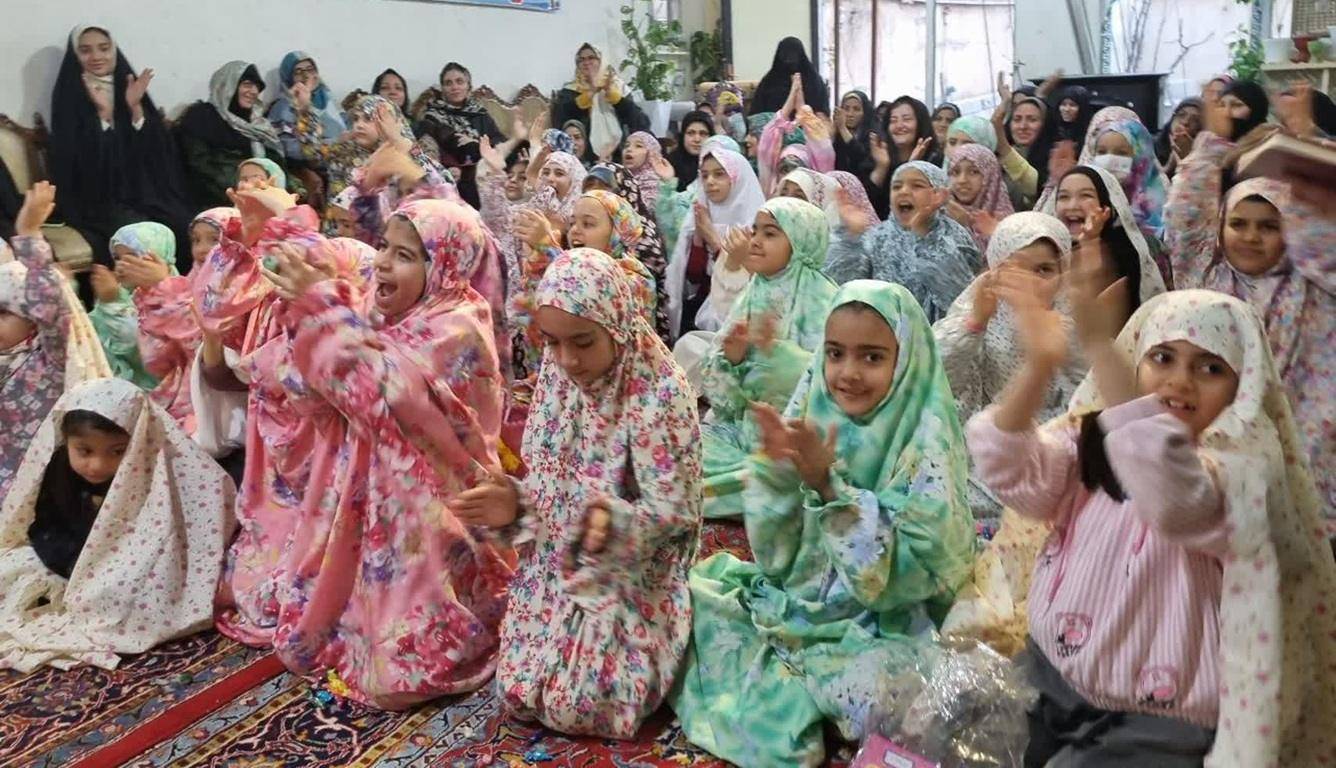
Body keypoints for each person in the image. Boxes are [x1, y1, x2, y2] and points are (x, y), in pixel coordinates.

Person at [967, 288, 1336, 766]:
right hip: (1050, 673)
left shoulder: (1243, 474)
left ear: (1242, 388)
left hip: (1159, 720)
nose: (1179, 382)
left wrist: (1101, 349)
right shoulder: (1095, 439)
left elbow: (1172, 497)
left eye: (1210, 368)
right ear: (1137, 362)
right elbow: (1011, 467)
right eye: (1162, 358)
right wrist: (1039, 366)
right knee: (963, 741)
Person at [672, 280, 976, 767]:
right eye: (835, 353)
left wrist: (831, 491)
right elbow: (775, 561)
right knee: (688, 599)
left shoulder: (927, 436)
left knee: (895, 696)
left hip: (886, 619)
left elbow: (919, 574)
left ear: (907, 359)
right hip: (806, 600)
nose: (848, 374)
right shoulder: (813, 405)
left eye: (872, 358)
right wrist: (774, 475)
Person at [236, 198, 514, 708]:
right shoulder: (379, 313)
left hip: (430, 499)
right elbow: (315, 385)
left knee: (402, 673)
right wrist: (304, 294)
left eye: (406, 255)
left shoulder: (457, 324)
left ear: (445, 265)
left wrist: (324, 311)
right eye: (384, 246)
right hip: (366, 486)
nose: (383, 261)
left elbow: (386, 396)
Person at [454, 248, 699, 737]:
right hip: (556, 563)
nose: (568, 360)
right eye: (554, 343)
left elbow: (675, 515)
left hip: (631, 570)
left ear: (617, 324)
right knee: (518, 691)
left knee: (579, 704)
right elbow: (548, 489)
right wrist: (514, 507)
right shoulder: (558, 377)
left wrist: (615, 525)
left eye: (583, 342)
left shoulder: (659, 393)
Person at [1166, 100, 1335, 523]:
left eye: (1269, 226)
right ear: (1220, 227)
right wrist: (1208, 147)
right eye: (1239, 224)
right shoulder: (1206, 280)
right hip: (1219, 456)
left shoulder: (1314, 280)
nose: (1251, 237)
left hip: (1306, 457)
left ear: (1291, 229)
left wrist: (1302, 145)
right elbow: (1185, 217)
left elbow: (1322, 222)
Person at [0, 378, 236, 671]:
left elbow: (168, 537)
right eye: (85, 451)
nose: (97, 466)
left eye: (117, 451)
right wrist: (77, 565)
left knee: (122, 601)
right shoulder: (59, 469)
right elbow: (49, 524)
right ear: (66, 441)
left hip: (132, 564)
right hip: (72, 558)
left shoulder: (155, 467)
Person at [698, 197, 838, 520]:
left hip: (795, 442)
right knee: (683, 448)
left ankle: (760, 491)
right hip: (744, 434)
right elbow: (723, 403)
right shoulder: (756, 290)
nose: (755, 242)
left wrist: (774, 355)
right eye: (755, 231)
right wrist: (731, 360)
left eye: (770, 233)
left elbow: (827, 386)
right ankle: (754, 491)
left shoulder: (826, 300)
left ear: (801, 240)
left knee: (789, 478)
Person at [48, 25, 193, 269]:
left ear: (114, 50)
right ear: (76, 56)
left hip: (146, 190)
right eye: (85, 51)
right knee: (137, 234)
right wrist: (104, 117)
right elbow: (73, 158)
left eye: (103, 49)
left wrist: (135, 109)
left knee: (183, 223)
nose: (96, 57)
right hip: (98, 197)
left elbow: (158, 151)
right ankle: (141, 300)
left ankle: (182, 295)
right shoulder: (69, 95)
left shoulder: (128, 85)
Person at [1, 182, 110, 502]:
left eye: (4, 313)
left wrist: (30, 232)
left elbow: (49, 300)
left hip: (50, 477)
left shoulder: (48, 353)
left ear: (33, 318)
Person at [826, 161, 980, 323]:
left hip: (936, 339)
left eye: (917, 186)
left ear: (938, 194)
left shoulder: (954, 236)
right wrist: (850, 239)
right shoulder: (878, 237)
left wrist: (924, 235)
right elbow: (842, 288)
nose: (904, 191)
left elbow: (958, 299)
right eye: (897, 187)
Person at [658, 148, 765, 338]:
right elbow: (693, 277)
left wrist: (714, 240)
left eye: (719, 174)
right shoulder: (701, 214)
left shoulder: (757, 224)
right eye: (705, 175)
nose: (710, 182)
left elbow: (752, 283)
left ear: (737, 178)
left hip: (740, 322)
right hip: (701, 315)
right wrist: (700, 239)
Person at [177, 61, 290, 210]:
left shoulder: (257, 123)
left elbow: (274, 162)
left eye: (257, 87)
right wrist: (247, 188)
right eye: (247, 84)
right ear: (228, 85)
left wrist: (288, 185)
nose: (254, 91)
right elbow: (200, 167)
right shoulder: (201, 117)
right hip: (218, 198)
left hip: (261, 193)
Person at [1046, 163, 1172, 289]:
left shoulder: (1128, 254)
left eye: (1086, 195)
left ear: (1106, 205)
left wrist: (1090, 243)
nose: (1072, 205)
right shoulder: (1047, 250)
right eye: (1063, 197)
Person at [415, 62, 505, 208]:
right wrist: (450, 168)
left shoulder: (480, 114)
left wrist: (476, 143)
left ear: (468, 86)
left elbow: (499, 139)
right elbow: (431, 148)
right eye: (448, 83)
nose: (454, 87)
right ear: (442, 89)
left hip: (483, 166)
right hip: (453, 171)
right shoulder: (433, 116)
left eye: (459, 81)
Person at [550, 44, 650, 163]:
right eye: (581, 60)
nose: (586, 62)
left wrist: (612, 95)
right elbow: (561, 118)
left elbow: (636, 119)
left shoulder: (619, 87)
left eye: (591, 58)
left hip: (618, 153)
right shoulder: (570, 89)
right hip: (583, 155)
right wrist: (590, 93)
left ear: (602, 61)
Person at [1086, 118, 1168, 239]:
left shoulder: (1156, 206)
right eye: (1102, 152)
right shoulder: (1087, 194)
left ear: (1140, 158)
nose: (1109, 159)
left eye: (1121, 153)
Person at [267, 51, 345, 165]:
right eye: (298, 72)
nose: (306, 76)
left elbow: (346, 128)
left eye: (310, 69)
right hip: (311, 166)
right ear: (289, 78)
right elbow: (290, 151)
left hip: (341, 161)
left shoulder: (327, 97)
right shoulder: (283, 107)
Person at [945, 143, 1015, 253]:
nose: (962, 180)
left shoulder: (1008, 224)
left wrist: (965, 226)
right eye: (956, 172)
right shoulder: (940, 214)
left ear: (990, 176)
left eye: (973, 172)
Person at [748, 36, 830, 116]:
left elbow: (822, 113)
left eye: (793, 54)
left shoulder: (813, 81)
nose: (789, 60)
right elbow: (757, 114)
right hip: (775, 127)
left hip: (807, 127)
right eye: (786, 55)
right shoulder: (769, 81)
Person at [1154, 97, 1203, 177]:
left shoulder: (1203, 157)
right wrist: (1170, 164)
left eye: (1195, 120)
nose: (1185, 122)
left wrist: (1189, 159)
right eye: (1181, 115)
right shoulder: (1151, 145)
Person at [667, 111, 714, 191]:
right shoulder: (669, 164)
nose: (697, 139)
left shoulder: (718, 162)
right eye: (691, 133)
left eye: (703, 134)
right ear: (683, 136)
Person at [621, 130, 663, 211]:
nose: (629, 149)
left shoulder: (655, 185)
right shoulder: (617, 178)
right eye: (626, 145)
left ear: (651, 153)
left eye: (638, 146)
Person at [1051, 85, 1093, 152]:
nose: (1067, 109)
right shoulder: (1052, 129)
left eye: (1072, 105)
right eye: (1063, 104)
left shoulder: (1090, 132)